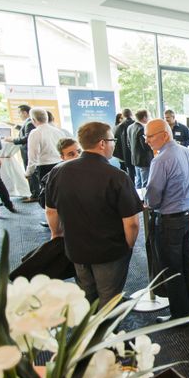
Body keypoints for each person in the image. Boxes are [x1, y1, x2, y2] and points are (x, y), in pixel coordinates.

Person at [45, 121, 142, 305]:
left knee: (86, 295)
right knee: (109, 298)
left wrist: (56, 235)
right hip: (109, 250)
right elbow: (132, 223)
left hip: (75, 248)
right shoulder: (117, 176)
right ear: (102, 143)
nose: (114, 144)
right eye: (112, 139)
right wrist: (128, 246)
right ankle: (107, 333)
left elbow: (51, 211)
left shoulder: (58, 172)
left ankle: (90, 331)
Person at [144, 119, 189, 323]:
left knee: (173, 270)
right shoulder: (186, 151)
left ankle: (180, 316)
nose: (147, 140)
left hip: (170, 222)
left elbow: (153, 198)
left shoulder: (161, 160)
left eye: (150, 136)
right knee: (187, 264)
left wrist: (148, 203)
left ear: (164, 135)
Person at [38, 138, 81, 210]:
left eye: (79, 151)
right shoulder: (52, 177)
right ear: (63, 157)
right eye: (71, 154)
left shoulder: (91, 169)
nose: (78, 156)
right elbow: (44, 203)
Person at [26, 108, 64, 188]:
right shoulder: (58, 131)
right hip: (60, 164)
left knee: (47, 192)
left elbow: (33, 154)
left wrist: (29, 172)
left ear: (33, 119)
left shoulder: (35, 133)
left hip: (44, 167)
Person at [8, 104, 39, 202]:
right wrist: (14, 126)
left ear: (25, 112)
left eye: (19, 113)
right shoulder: (29, 122)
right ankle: (35, 193)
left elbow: (26, 138)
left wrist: (13, 140)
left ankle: (35, 195)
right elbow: (24, 129)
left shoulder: (29, 123)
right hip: (27, 152)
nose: (19, 115)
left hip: (28, 152)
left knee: (31, 174)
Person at [127, 109, 153, 188]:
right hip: (144, 161)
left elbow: (128, 144)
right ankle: (144, 199)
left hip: (135, 159)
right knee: (145, 182)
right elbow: (145, 146)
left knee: (138, 181)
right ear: (144, 118)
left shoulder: (130, 127)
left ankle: (138, 198)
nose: (150, 118)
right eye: (149, 116)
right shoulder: (142, 129)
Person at [114, 108, 135, 181]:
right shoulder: (135, 125)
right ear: (131, 114)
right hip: (135, 154)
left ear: (123, 115)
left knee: (127, 173)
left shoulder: (118, 127)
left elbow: (116, 141)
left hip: (123, 154)